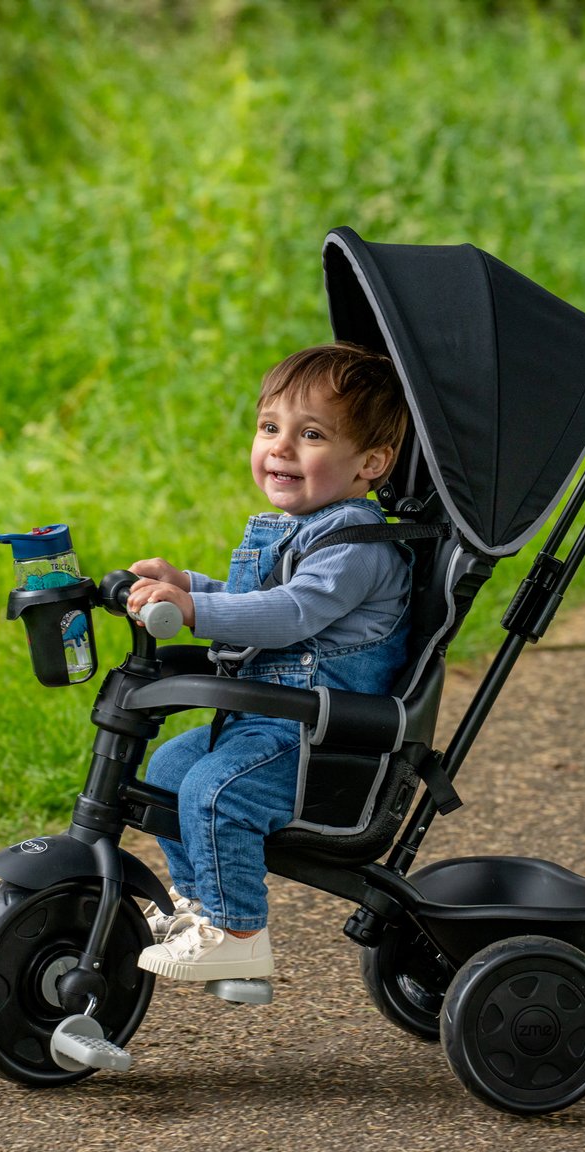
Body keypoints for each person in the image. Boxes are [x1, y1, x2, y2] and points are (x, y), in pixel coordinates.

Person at [124, 342, 412, 983]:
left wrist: (193, 611)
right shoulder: (303, 529)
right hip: (269, 722)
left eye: (310, 434)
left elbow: (288, 615)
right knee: (171, 767)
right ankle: (201, 909)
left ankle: (239, 931)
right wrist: (186, 586)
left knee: (214, 790)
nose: (280, 448)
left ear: (372, 462)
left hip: (321, 736)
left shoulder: (358, 547)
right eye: (270, 427)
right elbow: (256, 601)